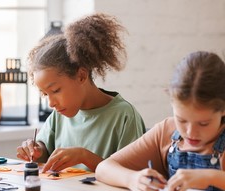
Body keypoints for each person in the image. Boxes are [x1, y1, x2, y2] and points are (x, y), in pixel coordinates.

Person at [16, 13, 146, 173]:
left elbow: (131, 174)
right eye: (44, 94)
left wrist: (84, 156)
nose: (51, 103)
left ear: (81, 76)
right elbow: (45, 152)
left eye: (55, 90)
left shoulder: (124, 116)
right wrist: (37, 151)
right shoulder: (59, 115)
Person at [96, 51, 225, 191]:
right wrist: (132, 179)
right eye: (182, 120)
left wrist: (211, 177)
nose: (191, 132)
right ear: (172, 103)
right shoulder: (166, 131)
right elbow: (103, 169)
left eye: (203, 123)